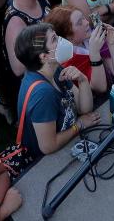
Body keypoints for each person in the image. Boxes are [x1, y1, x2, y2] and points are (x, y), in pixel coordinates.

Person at [12, 22, 99, 157]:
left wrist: (83, 81)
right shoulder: (42, 94)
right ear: (44, 56)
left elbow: (84, 109)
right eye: (54, 39)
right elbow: (48, 146)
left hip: (68, 147)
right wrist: (79, 125)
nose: (61, 40)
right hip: (47, 163)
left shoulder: (55, 69)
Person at [43, 5, 114, 92]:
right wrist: (94, 53)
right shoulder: (69, 61)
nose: (87, 22)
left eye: (83, 18)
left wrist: (112, 44)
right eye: (79, 23)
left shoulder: (89, 39)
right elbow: (100, 89)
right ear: (68, 36)